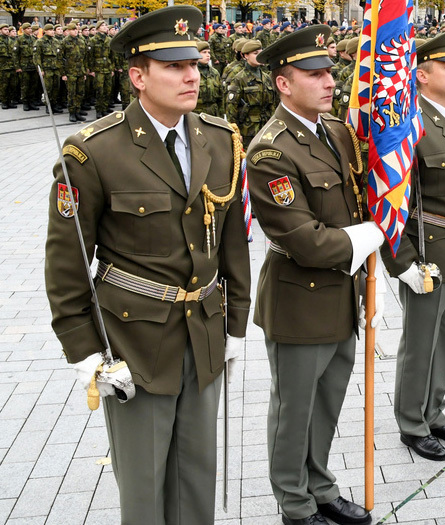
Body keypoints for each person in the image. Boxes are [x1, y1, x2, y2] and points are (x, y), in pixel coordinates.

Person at [45, 7, 251, 524]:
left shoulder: (219, 140)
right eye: (174, 66)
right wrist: (85, 350)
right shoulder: (94, 152)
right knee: (143, 489)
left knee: (196, 479)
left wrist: (237, 324)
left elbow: (232, 240)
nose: (192, 76)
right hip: (133, 342)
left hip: (203, 330)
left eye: (196, 64)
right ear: (138, 76)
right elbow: (68, 260)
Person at [246, 24, 380, 525]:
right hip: (300, 301)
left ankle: (320, 486)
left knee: (326, 405)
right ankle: (296, 505)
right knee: (293, 411)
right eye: (315, 74)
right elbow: (304, 239)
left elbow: (353, 201)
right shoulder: (271, 150)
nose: (329, 82)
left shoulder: (338, 133)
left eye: (330, 73)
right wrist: (372, 236)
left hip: (341, 297)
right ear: (284, 83)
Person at [381, 31, 445, 462]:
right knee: (420, 340)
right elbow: (393, 199)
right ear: (421, 75)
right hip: (427, 249)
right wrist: (402, 260)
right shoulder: (408, 124)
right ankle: (411, 421)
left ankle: (434, 409)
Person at [225, 39, 276, 146]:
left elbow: (272, 104)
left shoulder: (266, 78)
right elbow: (231, 108)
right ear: (245, 56)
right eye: (255, 53)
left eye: (260, 53)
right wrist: (235, 132)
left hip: (266, 128)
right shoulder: (239, 79)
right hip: (247, 130)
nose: (258, 56)